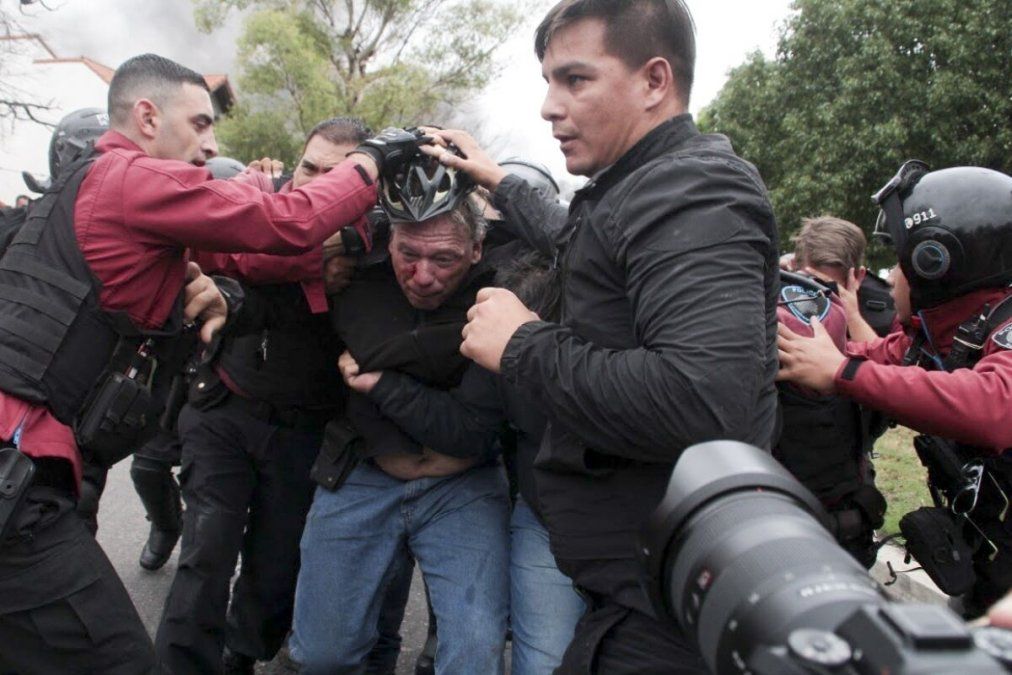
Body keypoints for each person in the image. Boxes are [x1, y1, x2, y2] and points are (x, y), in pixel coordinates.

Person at [0, 51, 426, 675]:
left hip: (46, 471)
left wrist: (355, 241)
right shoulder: (132, 180)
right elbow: (289, 223)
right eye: (199, 124)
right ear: (147, 117)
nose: (211, 144)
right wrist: (376, 159)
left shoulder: (106, 190)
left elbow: (254, 259)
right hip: (20, 475)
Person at [428, 1, 779, 670]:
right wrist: (500, 181)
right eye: (548, 81)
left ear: (654, 81)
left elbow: (703, 400)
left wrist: (521, 346)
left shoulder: (692, 188)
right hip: (638, 579)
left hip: (665, 605)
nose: (548, 107)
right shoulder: (640, 186)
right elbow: (587, 246)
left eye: (575, 80)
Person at [154, 118, 379, 674]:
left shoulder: (375, 245)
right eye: (308, 167)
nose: (313, 183)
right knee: (206, 553)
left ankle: (242, 655)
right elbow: (229, 258)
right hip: (225, 409)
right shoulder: (258, 205)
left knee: (276, 564)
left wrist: (346, 244)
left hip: (306, 430)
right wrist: (307, 257)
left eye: (335, 174)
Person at [290, 154, 510, 674]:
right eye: (408, 254)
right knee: (323, 655)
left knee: (475, 653)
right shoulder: (352, 276)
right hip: (362, 471)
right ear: (386, 240)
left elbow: (470, 432)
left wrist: (380, 383)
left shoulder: (501, 293)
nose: (424, 276)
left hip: (463, 486)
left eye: (446, 260)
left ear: (476, 249)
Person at [777, 161, 1012, 616]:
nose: (895, 275)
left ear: (936, 263)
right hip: (991, 573)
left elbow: (997, 405)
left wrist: (842, 373)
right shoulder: (943, 335)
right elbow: (877, 355)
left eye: (903, 261)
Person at [791, 215, 896, 340]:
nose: (818, 298)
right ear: (793, 270)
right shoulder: (777, 302)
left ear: (857, 277)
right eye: (809, 284)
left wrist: (853, 318)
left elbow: (886, 357)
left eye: (828, 290)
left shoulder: (889, 313)